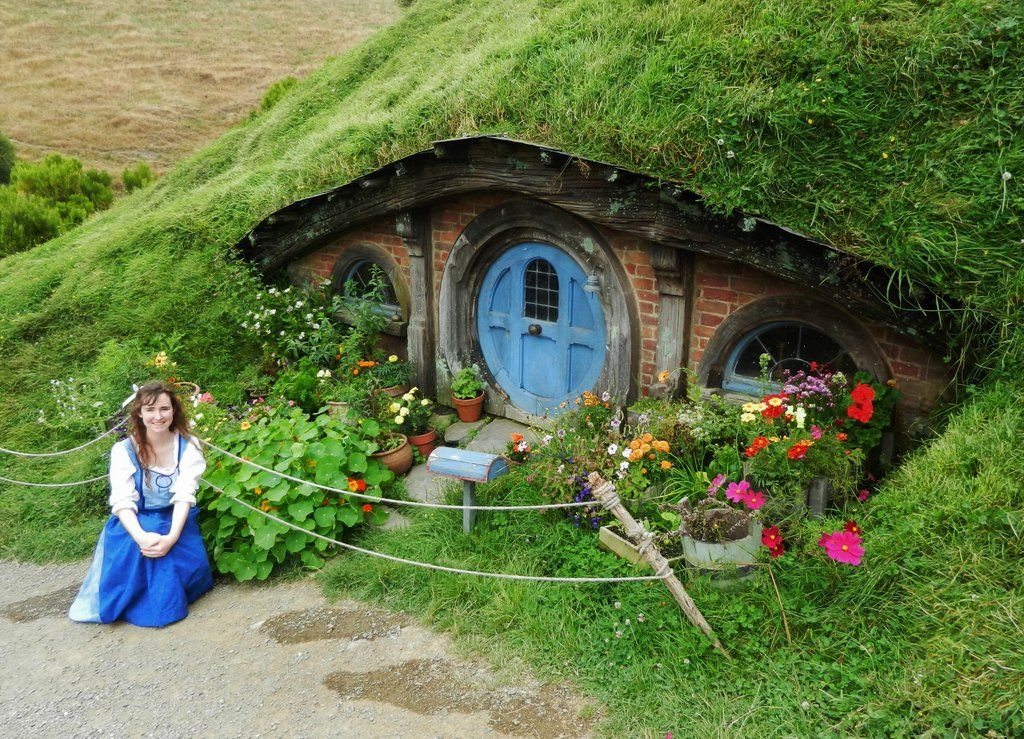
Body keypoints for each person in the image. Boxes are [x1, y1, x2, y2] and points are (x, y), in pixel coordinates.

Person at [69, 381, 214, 627]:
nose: (158, 416)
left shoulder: (188, 446)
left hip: (174, 519)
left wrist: (171, 538)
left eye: (164, 409)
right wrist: (142, 538)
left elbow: (184, 496)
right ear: (139, 413)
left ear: (174, 411)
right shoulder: (123, 450)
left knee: (175, 560)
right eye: (150, 410)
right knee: (151, 557)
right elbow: (123, 502)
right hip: (134, 522)